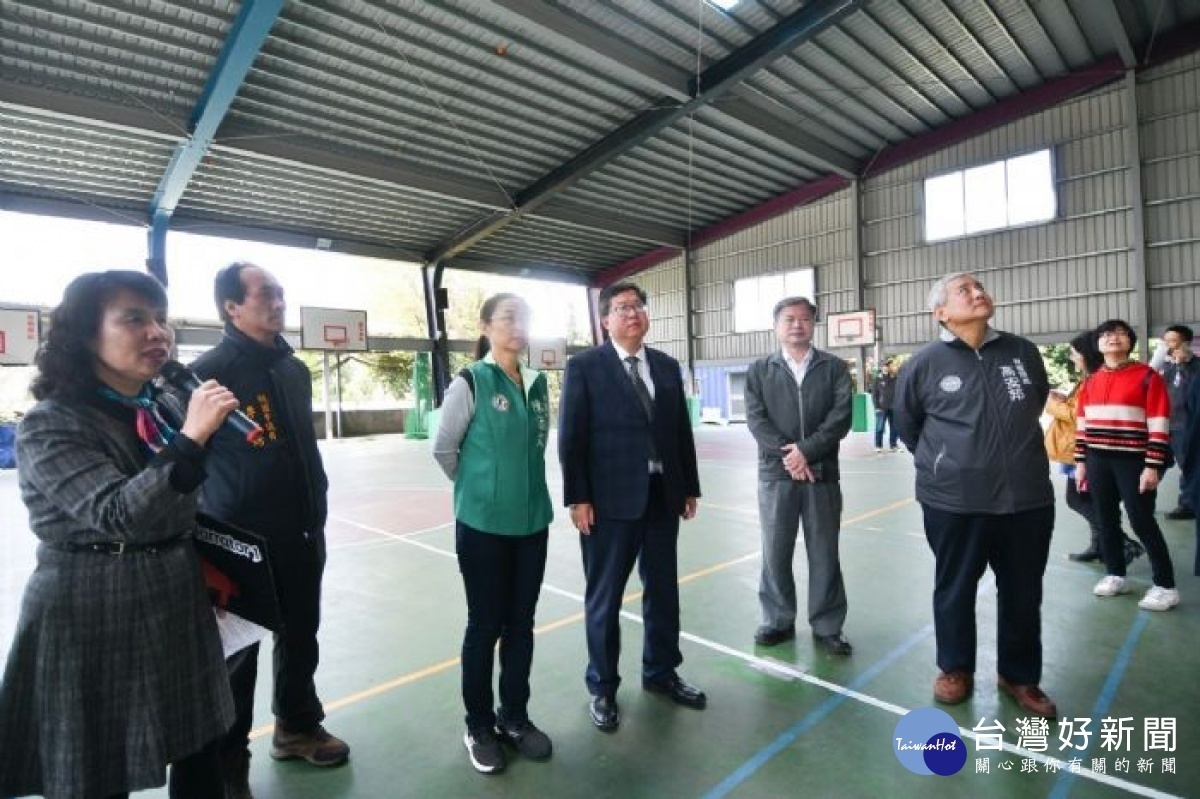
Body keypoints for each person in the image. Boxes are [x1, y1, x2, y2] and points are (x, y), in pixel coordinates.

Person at [0, 270, 238, 799]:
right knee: (96, 762)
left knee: (199, 739)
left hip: (173, 591)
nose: (158, 332)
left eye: (161, 319)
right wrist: (194, 437)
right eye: (134, 319)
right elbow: (117, 513)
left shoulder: (158, 409)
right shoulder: (51, 423)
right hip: (91, 605)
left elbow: (179, 501)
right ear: (85, 334)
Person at [190, 262, 347, 799]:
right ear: (233, 307)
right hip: (240, 543)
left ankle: (297, 725)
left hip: (303, 529)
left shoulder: (293, 368)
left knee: (301, 633)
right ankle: (229, 762)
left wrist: (317, 508)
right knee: (238, 656)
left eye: (280, 292)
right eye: (265, 294)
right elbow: (188, 460)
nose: (278, 301)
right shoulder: (209, 372)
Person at [894, 273, 1057, 717]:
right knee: (955, 586)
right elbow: (907, 424)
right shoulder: (924, 363)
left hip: (1027, 497)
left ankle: (1019, 675)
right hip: (954, 499)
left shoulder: (1020, 351)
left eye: (979, 286)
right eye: (963, 290)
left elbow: (1035, 401)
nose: (977, 292)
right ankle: (955, 668)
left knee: (1023, 590)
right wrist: (947, 463)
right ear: (941, 313)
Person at [558, 280, 703, 732]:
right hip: (608, 504)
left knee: (663, 590)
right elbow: (572, 438)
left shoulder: (665, 365)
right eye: (622, 308)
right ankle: (602, 687)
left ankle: (661, 672)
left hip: (663, 497)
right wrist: (578, 497)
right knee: (605, 598)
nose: (633, 313)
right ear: (605, 321)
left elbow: (680, 431)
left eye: (639, 305)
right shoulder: (584, 367)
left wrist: (688, 486)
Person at [433, 294, 554, 775]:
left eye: (524, 318)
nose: (517, 325)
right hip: (483, 525)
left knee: (520, 624)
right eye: (507, 318)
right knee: (485, 626)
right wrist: (480, 488)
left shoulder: (540, 383)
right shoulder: (471, 381)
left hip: (532, 524)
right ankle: (479, 725)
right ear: (485, 326)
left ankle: (515, 717)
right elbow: (445, 449)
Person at [744, 297, 853, 654]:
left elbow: (840, 418)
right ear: (776, 326)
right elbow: (757, 420)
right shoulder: (760, 370)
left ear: (813, 325)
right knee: (775, 551)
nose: (797, 325)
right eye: (789, 319)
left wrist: (807, 451)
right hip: (776, 476)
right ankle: (777, 620)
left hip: (822, 474)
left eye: (804, 319)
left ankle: (827, 625)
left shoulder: (834, 367)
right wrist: (790, 455)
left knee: (825, 551)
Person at [1075, 319, 1179, 611]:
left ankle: (1165, 585)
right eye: (1106, 334)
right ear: (1098, 344)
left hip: (1133, 460)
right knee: (1105, 519)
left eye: (1120, 334)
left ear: (1130, 342)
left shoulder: (1147, 377)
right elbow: (1082, 425)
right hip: (1097, 459)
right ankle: (1116, 574)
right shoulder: (1091, 381)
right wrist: (1081, 462)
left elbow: (1159, 423)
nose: (1113, 338)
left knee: (1142, 519)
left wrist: (1152, 465)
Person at [1044, 332, 1144, 564]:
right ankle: (1100, 545)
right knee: (1089, 499)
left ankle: (1118, 541)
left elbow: (1079, 414)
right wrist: (1063, 399)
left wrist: (1051, 405)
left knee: (1078, 499)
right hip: (1077, 448)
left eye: (1074, 353)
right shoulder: (1087, 377)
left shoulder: (1096, 378)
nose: (1071, 357)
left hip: (1085, 450)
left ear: (1085, 354)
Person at [1159, 325, 1198, 520]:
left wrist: (1183, 364)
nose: (1168, 345)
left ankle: (1189, 505)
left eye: (1172, 341)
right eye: (1166, 341)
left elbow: (1192, 391)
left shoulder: (1196, 366)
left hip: (1186, 425)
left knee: (1187, 465)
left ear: (1186, 343)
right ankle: (1142, 498)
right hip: (1165, 424)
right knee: (1155, 462)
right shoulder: (1166, 365)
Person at [871, 357, 899, 452]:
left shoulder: (895, 378)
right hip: (881, 408)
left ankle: (893, 445)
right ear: (883, 367)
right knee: (880, 427)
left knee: (894, 428)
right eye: (886, 365)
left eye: (889, 365)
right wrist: (876, 407)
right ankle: (878, 446)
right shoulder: (878, 379)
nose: (887, 367)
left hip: (894, 407)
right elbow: (874, 394)